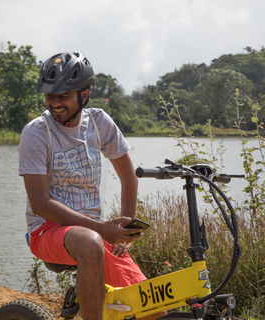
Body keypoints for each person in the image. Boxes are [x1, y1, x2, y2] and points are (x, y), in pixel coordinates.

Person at [18, 52, 165, 320]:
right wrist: (100, 229)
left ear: (83, 96)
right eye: (50, 96)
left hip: (94, 232)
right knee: (90, 242)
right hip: (46, 230)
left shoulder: (98, 123)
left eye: (63, 96)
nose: (54, 103)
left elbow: (128, 177)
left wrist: (126, 231)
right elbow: (40, 203)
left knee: (151, 309)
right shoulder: (37, 133)